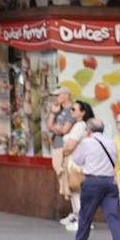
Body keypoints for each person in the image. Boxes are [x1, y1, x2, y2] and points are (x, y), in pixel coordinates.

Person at [68, 116, 120, 240]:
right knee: (114, 216)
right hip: (110, 182)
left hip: (92, 181)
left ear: (88, 130)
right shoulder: (111, 142)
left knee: (86, 215)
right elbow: (116, 160)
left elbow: (77, 160)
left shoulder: (86, 142)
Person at [46, 91, 79, 227]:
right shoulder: (58, 110)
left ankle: (78, 215)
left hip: (65, 148)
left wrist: (56, 129)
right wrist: (53, 114)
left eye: (58, 95)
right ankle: (75, 213)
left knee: (69, 180)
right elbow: (50, 126)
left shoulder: (72, 111)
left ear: (66, 95)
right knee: (64, 180)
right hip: (57, 146)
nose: (56, 98)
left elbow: (65, 130)